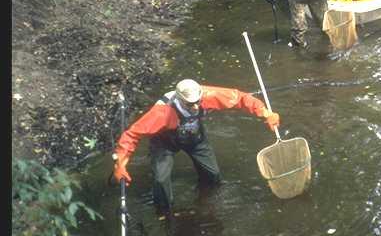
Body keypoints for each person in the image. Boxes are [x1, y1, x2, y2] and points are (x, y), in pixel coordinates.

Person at [112, 79, 281, 210]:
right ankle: (164, 211)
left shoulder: (208, 96)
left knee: (213, 175)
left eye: (197, 102)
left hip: (195, 136)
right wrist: (120, 164)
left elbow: (240, 98)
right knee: (161, 180)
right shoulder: (162, 113)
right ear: (179, 99)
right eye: (189, 104)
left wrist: (266, 113)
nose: (195, 107)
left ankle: (205, 202)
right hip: (165, 142)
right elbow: (132, 134)